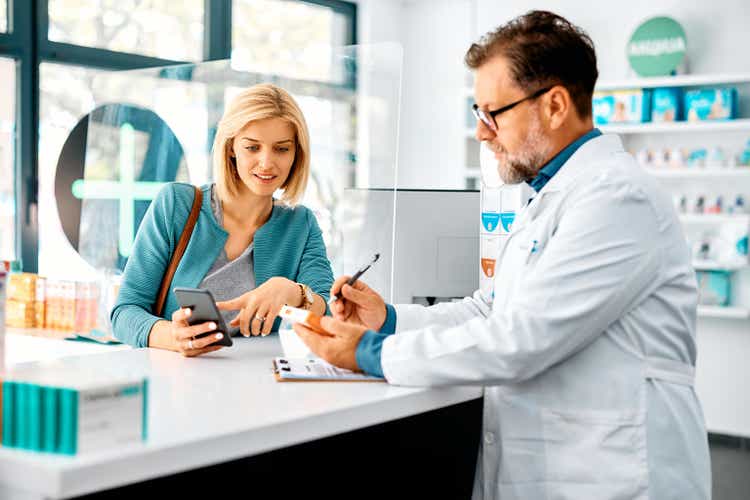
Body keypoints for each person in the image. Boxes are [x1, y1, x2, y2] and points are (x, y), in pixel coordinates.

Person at [294, 10, 711, 500]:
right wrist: (386, 319)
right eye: (478, 114)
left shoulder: (619, 199)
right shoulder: (549, 197)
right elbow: (490, 310)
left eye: (493, 112)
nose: (482, 132)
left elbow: (521, 339)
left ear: (555, 105)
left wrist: (368, 353)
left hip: (616, 474)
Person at [112, 83, 334, 356]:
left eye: (281, 149)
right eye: (252, 147)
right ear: (231, 148)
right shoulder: (176, 205)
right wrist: (174, 337)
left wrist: (293, 292)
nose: (266, 162)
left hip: (259, 383)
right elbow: (124, 313)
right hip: (178, 381)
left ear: (296, 153)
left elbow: (329, 313)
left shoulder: (301, 225)